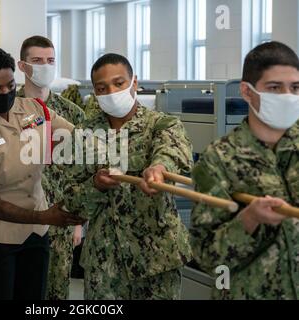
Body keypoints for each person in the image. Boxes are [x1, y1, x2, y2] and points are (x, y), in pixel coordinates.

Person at [0, 45, 85, 300]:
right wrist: (46, 216)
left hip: (35, 236)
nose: (5, 93)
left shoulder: (33, 110)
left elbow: (76, 137)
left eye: (10, 85)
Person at [62, 53, 193, 299]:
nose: (111, 91)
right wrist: (96, 185)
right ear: (95, 93)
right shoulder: (84, 134)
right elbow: (70, 199)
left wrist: (159, 169)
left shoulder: (162, 124)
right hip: (105, 261)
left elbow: (173, 152)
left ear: (134, 83)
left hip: (157, 257)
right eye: (102, 88)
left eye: (119, 83)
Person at [190, 41, 299, 300]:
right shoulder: (218, 160)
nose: (287, 96)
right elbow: (208, 258)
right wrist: (249, 219)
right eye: (274, 87)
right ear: (247, 92)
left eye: (295, 88)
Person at [17, 35, 85, 300]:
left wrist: (79, 223)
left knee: (56, 291)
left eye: (50, 60)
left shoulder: (73, 113)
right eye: (37, 61)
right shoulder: (9, 108)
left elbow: (81, 173)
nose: (45, 66)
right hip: (17, 215)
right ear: (22, 66)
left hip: (60, 218)